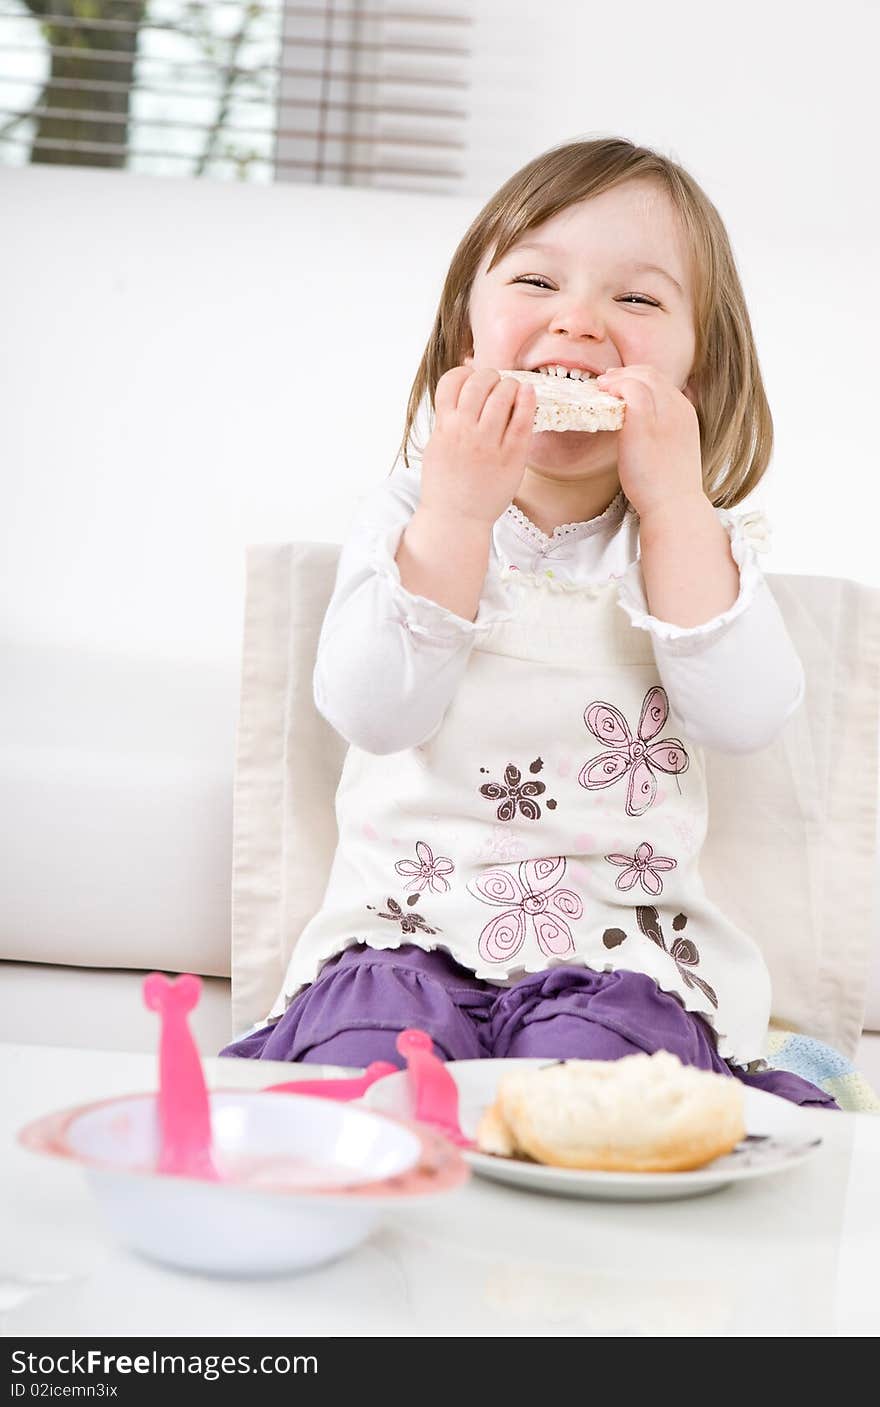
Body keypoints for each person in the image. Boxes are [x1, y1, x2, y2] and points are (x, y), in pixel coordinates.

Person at [221, 136, 836, 1108]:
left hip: (616, 956)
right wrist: (459, 514)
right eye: (537, 281)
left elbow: (747, 715)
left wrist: (675, 505)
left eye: (636, 300)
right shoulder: (409, 515)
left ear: (696, 373)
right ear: (466, 336)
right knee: (362, 1066)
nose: (580, 324)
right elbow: (376, 713)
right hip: (401, 937)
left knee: (602, 1077)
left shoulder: (689, 539)